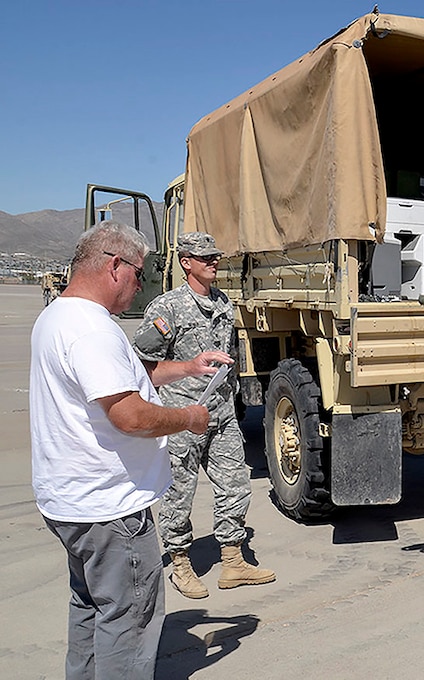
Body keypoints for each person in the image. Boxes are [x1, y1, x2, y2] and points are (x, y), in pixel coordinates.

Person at [30, 221, 228, 679]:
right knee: (130, 622)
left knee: (90, 608)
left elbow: (122, 375)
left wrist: (186, 367)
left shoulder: (60, 316)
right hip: (110, 510)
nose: (141, 285)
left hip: (71, 503)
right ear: (114, 266)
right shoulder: (92, 330)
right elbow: (131, 415)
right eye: (140, 274)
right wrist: (190, 419)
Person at [132, 232, 275, 599]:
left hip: (222, 413)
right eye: (205, 257)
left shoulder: (224, 303)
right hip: (182, 414)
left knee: (236, 485)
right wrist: (187, 370)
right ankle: (180, 563)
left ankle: (233, 561)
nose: (213, 261)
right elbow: (142, 366)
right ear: (186, 262)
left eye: (215, 256)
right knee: (180, 491)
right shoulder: (168, 307)